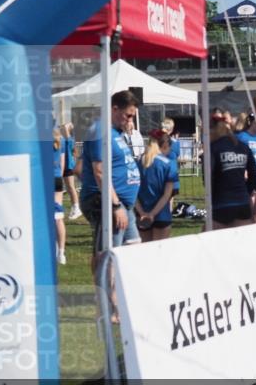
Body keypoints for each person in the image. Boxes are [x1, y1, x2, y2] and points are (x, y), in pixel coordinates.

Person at [80, 90, 142, 276]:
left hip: (124, 203)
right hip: (107, 201)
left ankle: (122, 290)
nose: (130, 120)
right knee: (108, 256)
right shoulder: (100, 131)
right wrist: (115, 206)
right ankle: (107, 293)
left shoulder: (116, 133)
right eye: (128, 115)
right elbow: (99, 171)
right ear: (115, 109)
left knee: (133, 249)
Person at [210, 115, 256, 229]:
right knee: (241, 239)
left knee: (214, 238)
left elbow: (209, 178)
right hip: (242, 202)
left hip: (221, 204)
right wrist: (246, 192)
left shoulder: (213, 148)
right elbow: (255, 176)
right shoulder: (243, 147)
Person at [135, 130, 179, 242]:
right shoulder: (168, 164)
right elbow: (167, 195)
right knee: (160, 251)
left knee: (145, 250)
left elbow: (133, 192)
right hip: (161, 214)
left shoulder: (137, 163)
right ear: (165, 146)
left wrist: (142, 213)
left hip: (141, 214)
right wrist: (152, 214)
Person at [237, 113, 256, 222]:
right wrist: (243, 170)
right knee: (248, 214)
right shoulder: (241, 137)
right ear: (253, 122)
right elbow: (237, 155)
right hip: (248, 178)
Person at [53, 127, 67, 265]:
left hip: (45, 178)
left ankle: (56, 249)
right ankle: (61, 252)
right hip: (57, 178)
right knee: (58, 217)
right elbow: (62, 162)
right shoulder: (61, 139)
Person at [62, 122, 82, 220]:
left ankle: (76, 208)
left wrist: (68, 125)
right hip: (63, 165)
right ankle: (74, 208)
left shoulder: (69, 139)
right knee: (68, 188)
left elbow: (66, 128)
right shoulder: (64, 139)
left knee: (70, 187)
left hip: (68, 166)